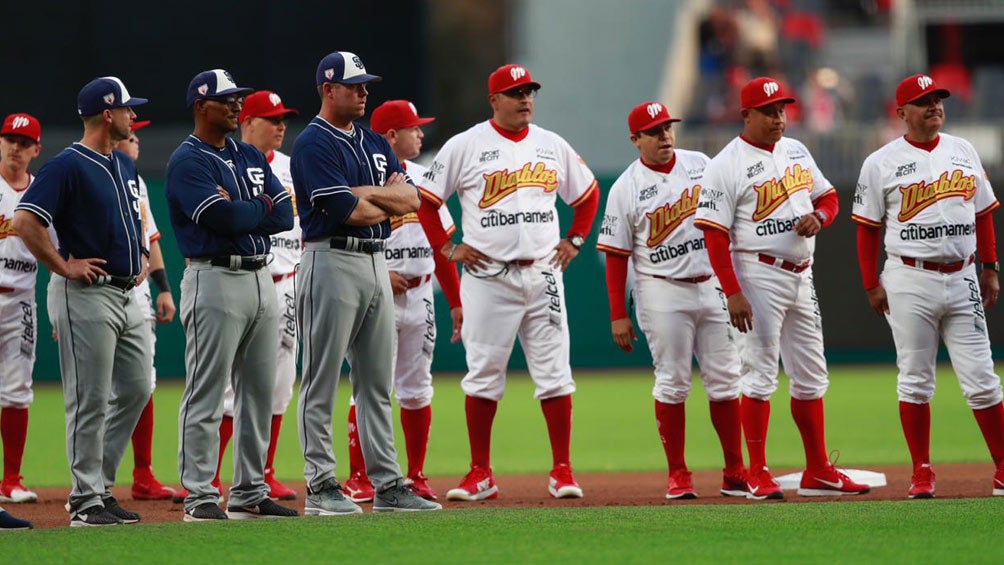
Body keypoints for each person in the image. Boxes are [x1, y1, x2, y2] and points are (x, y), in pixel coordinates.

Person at [416, 64, 600, 501]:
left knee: (556, 375)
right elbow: (425, 202)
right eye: (515, 92)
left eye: (530, 91)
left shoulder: (551, 144)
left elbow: (588, 194)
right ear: (493, 100)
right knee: (482, 376)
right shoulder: (466, 145)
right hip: (488, 276)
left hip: (542, 273)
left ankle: (562, 470)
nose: (525, 99)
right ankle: (480, 473)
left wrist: (575, 238)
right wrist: (447, 247)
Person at [694, 76, 869, 499]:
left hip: (801, 271)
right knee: (758, 373)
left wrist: (821, 218)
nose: (778, 118)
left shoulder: (796, 150)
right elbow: (714, 235)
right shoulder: (725, 164)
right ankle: (756, 471)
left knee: (811, 374)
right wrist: (732, 291)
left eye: (781, 110)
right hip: (757, 273)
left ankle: (819, 470)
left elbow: (828, 198)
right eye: (769, 111)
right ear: (746, 115)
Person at [291, 51, 441, 514]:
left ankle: (388, 485)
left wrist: (368, 194)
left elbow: (411, 197)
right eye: (354, 85)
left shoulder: (375, 141)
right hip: (329, 260)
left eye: (365, 84)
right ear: (327, 89)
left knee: (377, 383)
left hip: (376, 262)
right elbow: (349, 211)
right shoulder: (313, 143)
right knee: (320, 379)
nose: (363, 91)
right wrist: (380, 199)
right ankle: (320, 485)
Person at [853, 73, 1004, 499]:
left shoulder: (963, 149)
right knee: (915, 378)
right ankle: (921, 470)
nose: (934, 106)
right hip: (908, 276)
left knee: (983, 379)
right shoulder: (880, 161)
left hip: (963, 275)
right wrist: (870, 284)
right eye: (923, 101)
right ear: (902, 113)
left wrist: (990, 266)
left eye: (937, 99)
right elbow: (866, 229)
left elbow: (983, 213)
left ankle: (1003, 467)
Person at [13, 77, 153, 527]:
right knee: (88, 398)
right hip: (85, 293)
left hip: (127, 292)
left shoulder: (125, 165)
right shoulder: (67, 165)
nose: (134, 116)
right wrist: (62, 265)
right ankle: (86, 497)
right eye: (128, 109)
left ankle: (98, 486)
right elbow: (24, 220)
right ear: (107, 114)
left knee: (136, 388)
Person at [597, 102, 747, 499]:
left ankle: (735, 471)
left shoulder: (701, 164)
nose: (664, 136)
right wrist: (617, 314)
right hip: (661, 288)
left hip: (710, 282)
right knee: (673, 381)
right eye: (654, 131)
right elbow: (616, 256)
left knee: (726, 378)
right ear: (636, 140)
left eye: (668, 128)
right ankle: (678, 473)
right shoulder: (626, 187)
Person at [165, 69, 297, 522]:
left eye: (238, 98)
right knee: (207, 391)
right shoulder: (188, 160)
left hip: (261, 275)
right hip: (213, 278)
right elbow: (222, 219)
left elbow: (283, 215)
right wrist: (255, 207)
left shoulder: (246, 152)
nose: (237, 106)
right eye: (227, 100)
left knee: (258, 392)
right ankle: (200, 494)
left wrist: (250, 208)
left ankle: (248, 490)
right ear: (202, 107)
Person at [342, 100, 463, 503]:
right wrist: (376, 272)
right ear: (391, 136)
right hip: (377, 292)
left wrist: (456, 301)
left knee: (417, 387)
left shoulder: (426, 180)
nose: (421, 134)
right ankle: (359, 476)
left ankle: (416, 475)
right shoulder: (361, 176)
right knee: (369, 385)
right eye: (414, 128)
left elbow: (442, 243)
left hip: (421, 292)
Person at [210, 90, 301, 502]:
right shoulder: (228, 163)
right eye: (272, 118)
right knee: (227, 390)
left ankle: (265, 470)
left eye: (284, 119)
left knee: (280, 383)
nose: (281, 126)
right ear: (247, 122)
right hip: (245, 277)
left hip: (289, 283)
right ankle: (209, 476)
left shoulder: (291, 167)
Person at [112, 120, 180, 501]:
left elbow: (150, 237)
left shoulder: (136, 181)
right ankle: (91, 479)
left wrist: (164, 289)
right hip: (95, 292)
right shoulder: (85, 170)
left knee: (144, 382)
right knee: (96, 390)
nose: (137, 140)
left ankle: (142, 474)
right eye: (132, 135)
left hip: (136, 294)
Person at [0, 113, 43, 506]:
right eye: (10, 139)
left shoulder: (40, 194)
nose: (16, 147)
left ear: (36, 150)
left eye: (24, 141)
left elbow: (57, 251)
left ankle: (11, 478)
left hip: (20, 299)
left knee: (16, 390)